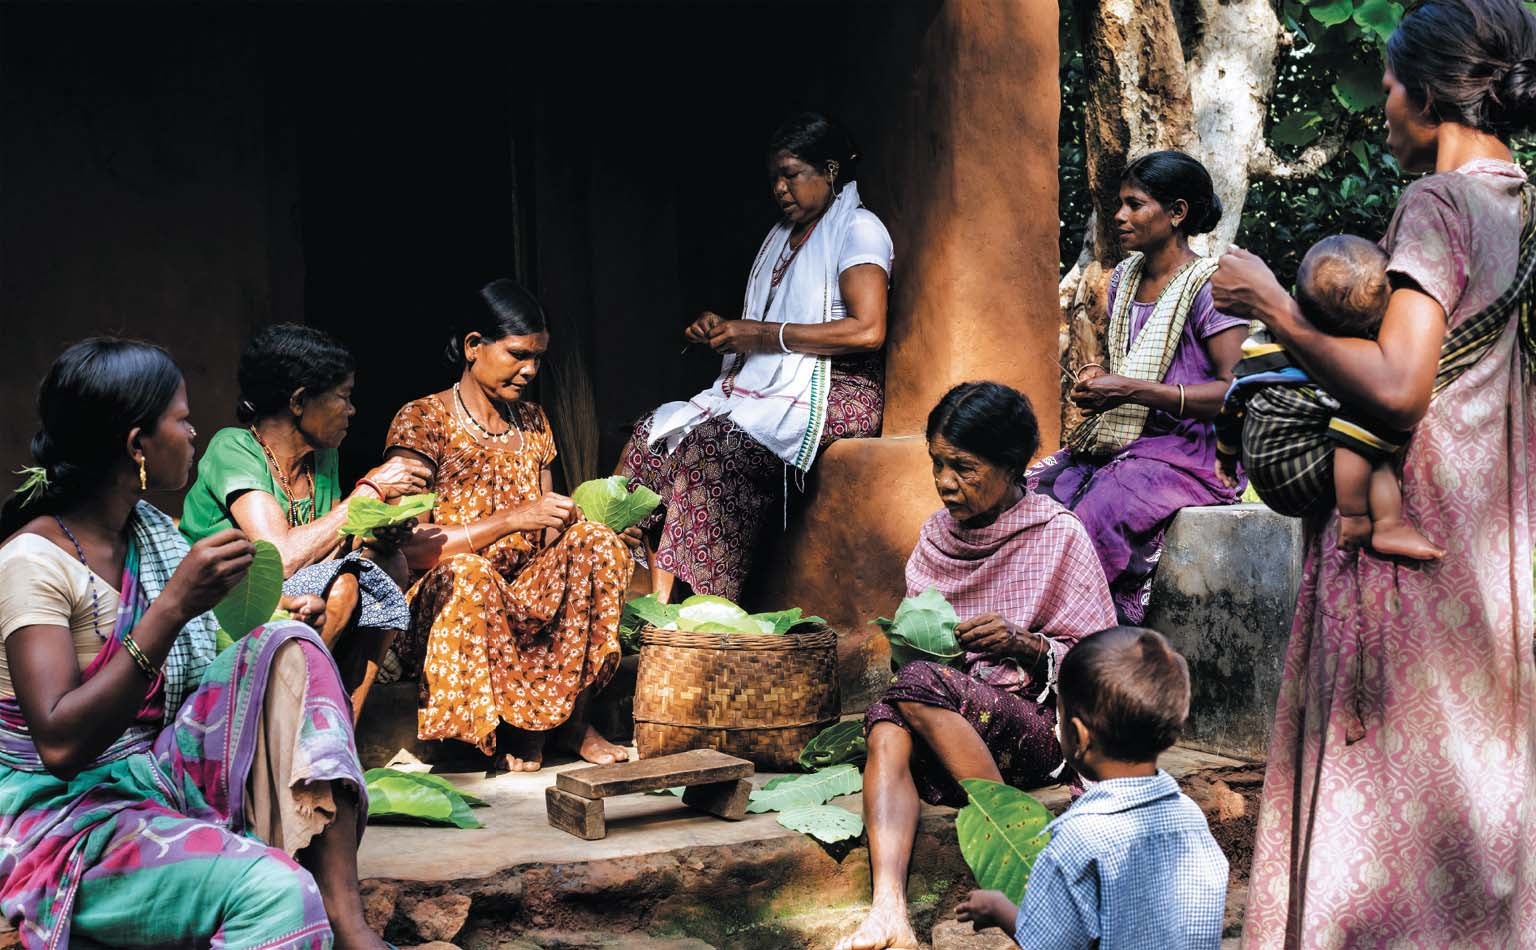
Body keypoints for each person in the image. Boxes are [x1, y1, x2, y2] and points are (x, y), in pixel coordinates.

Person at [1212, 0, 1536, 942]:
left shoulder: (1437, 203)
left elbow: (1397, 389)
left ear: (1430, 91)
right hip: (1489, 527)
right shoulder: (1517, 198)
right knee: (1471, 764)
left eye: (1392, 85)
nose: (1383, 103)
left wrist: (1274, 302)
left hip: (1414, 526)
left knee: (1388, 765)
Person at [0, 339, 384, 948]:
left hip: (153, 772)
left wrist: (276, 610)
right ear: (137, 447)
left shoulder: (151, 535)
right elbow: (60, 743)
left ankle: (349, 919)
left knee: (291, 645)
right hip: (67, 816)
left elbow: (205, 659)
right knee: (279, 896)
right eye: (181, 419)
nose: (194, 431)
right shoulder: (32, 561)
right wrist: (173, 605)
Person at [836, 382, 1116, 950]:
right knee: (889, 719)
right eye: (937, 463)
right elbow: (916, 648)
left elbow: (1101, 670)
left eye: (962, 467)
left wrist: (1027, 646)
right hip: (946, 720)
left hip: (1038, 735)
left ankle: (1022, 864)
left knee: (911, 690)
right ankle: (888, 908)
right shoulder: (935, 537)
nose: (944, 482)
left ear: (1010, 466)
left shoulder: (1057, 534)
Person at [619, 111, 893, 602]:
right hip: (773, 384)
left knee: (714, 447)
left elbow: (868, 331)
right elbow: (767, 328)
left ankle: (692, 609)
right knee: (649, 436)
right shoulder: (780, 239)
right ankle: (632, 593)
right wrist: (723, 330)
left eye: (791, 175)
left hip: (838, 390)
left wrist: (762, 336)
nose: (780, 189)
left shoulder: (858, 229)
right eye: (775, 179)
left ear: (830, 171)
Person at [385, 279, 639, 772]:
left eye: (538, 357)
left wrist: (587, 527)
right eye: (518, 354)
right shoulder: (422, 420)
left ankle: (568, 722)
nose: (530, 370)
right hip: (450, 601)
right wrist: (509, 520)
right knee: (473, 577)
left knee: (597, 545)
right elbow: (413, 550)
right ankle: (504, 728)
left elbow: (547, 535)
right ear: (473, 346)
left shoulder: (533, 422)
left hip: (523, 599)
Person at [1030, 150, 1248, 623]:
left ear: (1177, 214)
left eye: (1135, 204)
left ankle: (1064, 640)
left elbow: (1234, 395)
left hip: (1192, 455)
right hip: (1128, 442)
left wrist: (1129, 391)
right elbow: (1133, 365)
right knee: (1032, 498)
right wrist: (1099, 381)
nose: (1119, 216)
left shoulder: (1213, 286)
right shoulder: (1125, 279)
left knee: (1093, 519)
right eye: (1120, 204)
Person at [181, 324, 433, 719]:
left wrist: (372, 533)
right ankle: (290, 725)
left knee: (388, 565)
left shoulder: (323, 457)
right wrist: (370, 490)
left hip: (299, 596)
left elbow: (324, 548)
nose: (352, 410)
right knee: (345, 586)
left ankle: (343, 724)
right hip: (225, 606)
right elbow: (279, 559)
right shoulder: (234, 448)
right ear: (299, 401)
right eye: (343, 397)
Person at [954, 627, 1228, 950]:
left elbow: (1050, 944)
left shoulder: (1076, 840)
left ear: (1079, 736)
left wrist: (999, 909)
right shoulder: (1191, 819)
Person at [1213, 235, 1444, 559]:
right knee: (1368, 424)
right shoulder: (1339, 363)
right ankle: (1375, 522)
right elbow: (1379, 411)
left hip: (1261, 466)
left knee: (1349, 420)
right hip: (1300, 474)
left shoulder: (1265, 344)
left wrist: (1226, 452)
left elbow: (1235, 399)